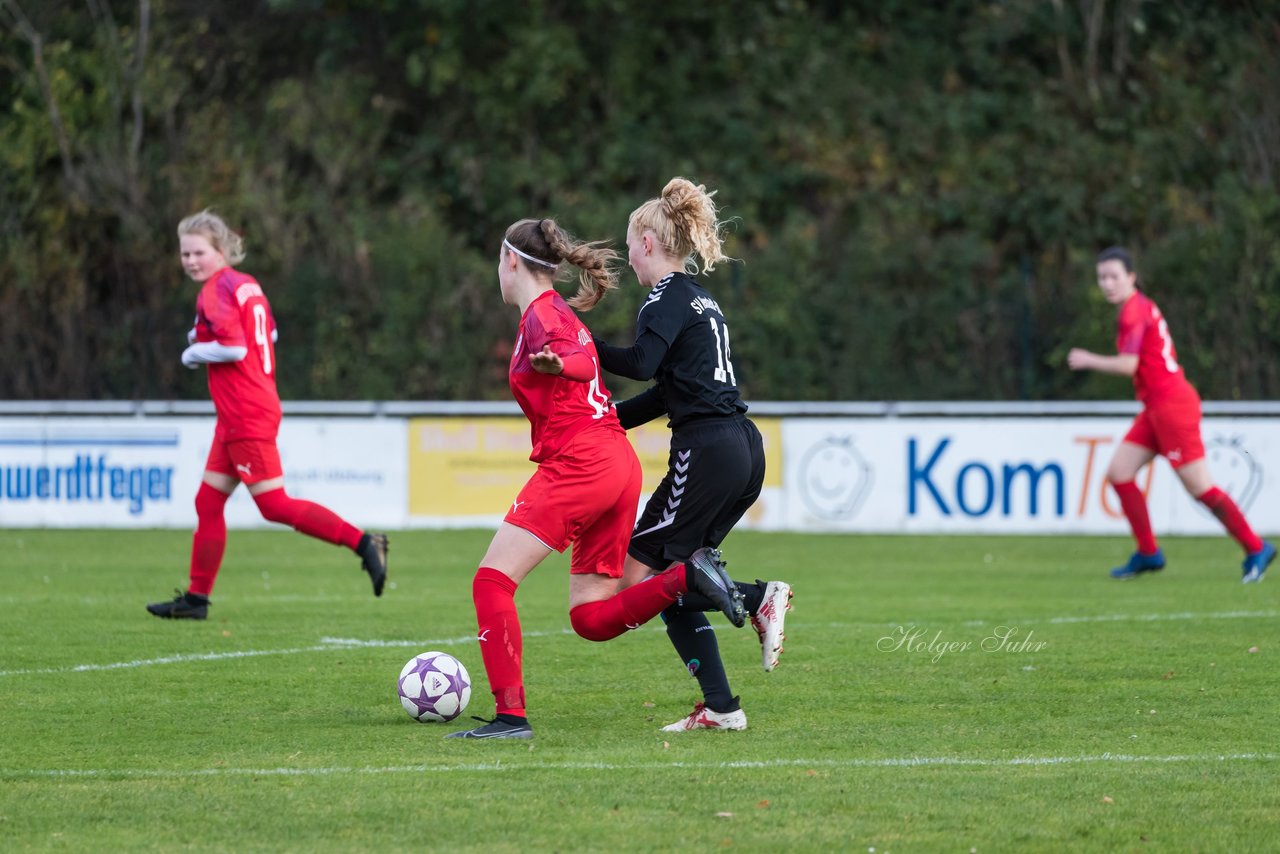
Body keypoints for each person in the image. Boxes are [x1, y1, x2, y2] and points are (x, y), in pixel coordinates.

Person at [446, 218, 745, 740]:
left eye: (498, 260)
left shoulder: (545, 316)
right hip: (613, 461)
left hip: (582, 463)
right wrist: (562, 364)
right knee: (590, 616)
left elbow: (582, 361)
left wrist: (561, 366)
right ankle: (685, 578)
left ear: (510, 260)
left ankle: (510, 718)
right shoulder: (550, 313)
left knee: (490, 582)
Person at [593, 178, 793, 733]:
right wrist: (607, 421)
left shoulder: (666, 296)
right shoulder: (701, 299)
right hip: (742, 449)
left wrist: (578, 342)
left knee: (639, 583)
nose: (628, 254)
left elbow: (637, 361)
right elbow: (666, 391)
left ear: (649, 243)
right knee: (674, 582)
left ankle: (758, 598)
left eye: (630, 243)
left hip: (707, 451)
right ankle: (723, 709)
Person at [146, 210, 389, 620]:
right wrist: (202, 337)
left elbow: (235, 348)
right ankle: (196, 599)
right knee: (208, 501)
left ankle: (364, 544)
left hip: (245, 411)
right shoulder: (247, 285)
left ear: (221, 250)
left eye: (198, 252)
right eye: (184, 253)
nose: (190, 260)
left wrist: (191, 352)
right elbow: (268, 335)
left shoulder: (214, 290)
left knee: (274, 504)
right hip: (242, 410)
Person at [1068, 245, 1274, 583]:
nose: (1107, 283)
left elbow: (1129, 364)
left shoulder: (1132, 311)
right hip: (1156, 407)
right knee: (1119, 473)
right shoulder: (1140, 307)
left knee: (1200, 488)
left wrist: (1089, 359)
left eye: (1113, 276)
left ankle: (1255, 548)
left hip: (1172, 406)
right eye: (1101, 277)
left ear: (1131, 277)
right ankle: (1148, 553)